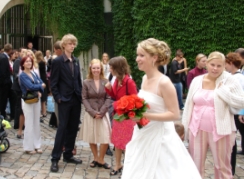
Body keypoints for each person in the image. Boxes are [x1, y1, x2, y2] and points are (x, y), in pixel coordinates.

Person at [122, 38, 200, 179]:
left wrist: (145, 115)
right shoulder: (145, 78)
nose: (137, 59)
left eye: (141, 55)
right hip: (143, 132)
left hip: (161, 135)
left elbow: (174, 114)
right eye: (137, 55)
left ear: (154, 57)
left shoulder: (164, 82)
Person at [182, 51, 244, 178]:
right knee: (195, 164)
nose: (215, 68)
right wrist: (185, 128)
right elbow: (188, 105)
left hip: (221, 131)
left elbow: (241, 101)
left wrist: (224, 92)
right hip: (196, 129)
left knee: (222, 167)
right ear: (207, 64)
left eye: (219, 65)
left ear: (224, 65)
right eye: (212, 64)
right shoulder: (197, 80)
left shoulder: (229, 80)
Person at [50, 34, 83, 172]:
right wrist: (58, 98)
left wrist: (80, 95)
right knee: (62, 128)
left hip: (76, 99)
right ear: (64, 45)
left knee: (73, 127)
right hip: (64, 100)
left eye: (74, 43)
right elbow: (53, 82)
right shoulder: (57, 61)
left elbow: (78, 80)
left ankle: (68, 154)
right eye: (70, 43)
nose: (72, 45)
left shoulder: (75, 60)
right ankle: (55, 158)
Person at [104, 56, 138, 176]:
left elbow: (135, 100)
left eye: (111, 68)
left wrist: (122, 104)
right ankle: (117, 164)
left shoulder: (129, 82)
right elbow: (114, 95)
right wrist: (108, 89)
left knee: (127, 143)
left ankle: (128, 167)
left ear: (117, 68)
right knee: (117, 142)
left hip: (127, 117)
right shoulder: (116, 80)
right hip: (118, 115)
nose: (109, 70)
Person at [79, 59, 112, 169]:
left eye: (98, 68)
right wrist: (92, 112)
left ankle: (101, 159)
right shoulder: (86, 82)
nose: (96, 70)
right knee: (91, 136)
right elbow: (84, 98)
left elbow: (108, 97)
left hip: (103, 112)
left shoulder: (106, 81)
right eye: (94, 68)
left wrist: (102, 111)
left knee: (106, 136)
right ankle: (96, 158)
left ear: (101, 69)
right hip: (91, 113)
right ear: (91, 69)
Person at [19, 56, 45, 154]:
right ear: (23, 64)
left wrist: (38, 88)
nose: (29, 63)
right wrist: (39, 86)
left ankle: (37, 145)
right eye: (26, 61)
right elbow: (29, 86)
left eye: (30, 61)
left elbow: (42, 83)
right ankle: (28, 147)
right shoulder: (22, 75)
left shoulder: (34, 73)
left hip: (36, 99)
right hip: (28, 101)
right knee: (29, 123)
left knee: (36, 123)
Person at [224, 52, 244, 175]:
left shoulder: (238, 78)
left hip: (236, 112)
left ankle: (230, 168)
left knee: (232, 140)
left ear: (231, 63)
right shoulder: (237, 76)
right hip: (235, 112)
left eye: (226, 63)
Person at [0, 44, 15, 120]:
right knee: (5, 99)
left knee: (4, 99)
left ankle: (6, 113)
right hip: (5, 83)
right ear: (10, 50)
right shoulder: (4, 58)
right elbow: (3, 72)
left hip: (1, 82)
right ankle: (4, 114)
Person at [12, 48, 26, 138]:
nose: (24, 53)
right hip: (18, 87)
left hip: (23, 87)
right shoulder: (18, 61)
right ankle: (17, 124)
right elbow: (16, 74)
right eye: (23, 52)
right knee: (19, 106)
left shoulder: (27, 61)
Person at [35, 51, 48, 121]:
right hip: (44, 79)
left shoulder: (38, 63)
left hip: (40, 80)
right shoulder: (43, 62)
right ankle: (44, 112)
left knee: (41, 97)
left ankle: (41, 112)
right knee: (43, 97)